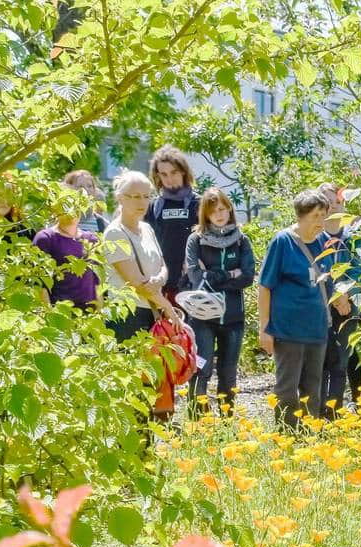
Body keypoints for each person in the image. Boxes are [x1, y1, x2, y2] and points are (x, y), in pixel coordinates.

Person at [258, 190, 332, 428]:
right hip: (288, 329)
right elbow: (265, 286)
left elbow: (331, 278)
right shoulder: (283, 242)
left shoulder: (324, 242)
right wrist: (265, 329)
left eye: (323, 214)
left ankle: (311, 437)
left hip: (317, 327)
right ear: (301, 216)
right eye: (315, 215)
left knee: (313, 387)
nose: (320, 221)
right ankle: (287, 437)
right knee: (287, 389)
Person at [183, 188, 255, 416]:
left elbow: (247, 276)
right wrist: (229, 274)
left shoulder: (242, 240)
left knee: (228, 372)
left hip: (233, 318)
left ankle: (227, 420)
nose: (220, 214)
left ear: (230, 209)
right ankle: (198, 420)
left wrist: (214, 274)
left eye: (223, 209)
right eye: (214, 211)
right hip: (202, 316)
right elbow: (195, 277)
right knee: (202, 369)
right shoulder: (195, 240)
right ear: (206, 214)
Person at [102, 170, 181, 341]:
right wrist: (168, 307)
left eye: (147, 196)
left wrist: (158, 280)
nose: (143, 202)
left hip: (152, 311)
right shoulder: (115, 233)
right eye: (136, 196)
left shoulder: (147, 229)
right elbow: (137, 284)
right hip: (126, 315)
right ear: (120, 197)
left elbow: (162, 266)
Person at [317, 182, 361, 416]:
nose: (332, 206)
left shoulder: (354, 237)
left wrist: (344, 295)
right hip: (320, 306)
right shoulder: (315, 236)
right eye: (327, 202)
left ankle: (333, 414)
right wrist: (333, 295)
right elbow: (315, 269)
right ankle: (316, 412)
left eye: (336, 201)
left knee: (340, 360)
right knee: (320, 361)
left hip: (350, 307)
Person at [145, 145, 200, 303]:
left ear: (183, 171)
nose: (169, 179)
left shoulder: (199, 204)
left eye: (174, 172)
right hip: (161, 286)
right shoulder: (152, 207)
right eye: (164, 174)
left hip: (193, 286)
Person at [32, 185, 100, 310]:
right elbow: (40, 285)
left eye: (75, 205)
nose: (70, 211)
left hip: (89, 315)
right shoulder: (45, 238)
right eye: (65, 206)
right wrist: (49, 316)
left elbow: (97, 282)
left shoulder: (91, 239)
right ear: (55, 209)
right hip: (60, 313)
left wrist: (99, 314)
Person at [62, 169, 109, 234]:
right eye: (80, 186)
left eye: (89, 186)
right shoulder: (59, 219)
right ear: (68, 189)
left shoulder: (101, 223)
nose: (86, 190)